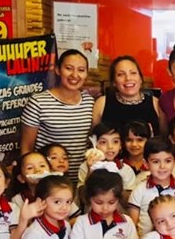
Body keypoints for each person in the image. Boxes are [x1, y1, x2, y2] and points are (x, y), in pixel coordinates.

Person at [21, 50, 95, 182]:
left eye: (81, 70)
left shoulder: (90, 102)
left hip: (82, 179)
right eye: (68, 68)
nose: (75, 75)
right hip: (49, 181)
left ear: (86, 74)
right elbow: (27, 148)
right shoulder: (39, 102)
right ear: (57, 70)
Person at [127, 137, 175, 237]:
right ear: (146, 164)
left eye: (168, 161)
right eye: (156, 162)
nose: (162, 166)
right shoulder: (139, 191)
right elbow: (131, 227)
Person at [92, 55, 163, 136]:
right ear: (114, 82)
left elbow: (163, 137)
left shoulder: (155, 103)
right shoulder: (102, 103)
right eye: (121, 74)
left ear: (140, 78)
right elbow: (93, 138)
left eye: (133, 73)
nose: (128, 78)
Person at [77, 123, 136, 193]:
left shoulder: (126, 170)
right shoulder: (85, 167)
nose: (110, 147)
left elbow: (128, 199)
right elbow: (82, 198)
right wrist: (90, 171)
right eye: (103, 142)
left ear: (121, 145)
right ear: (94, 145)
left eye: (115, 142)